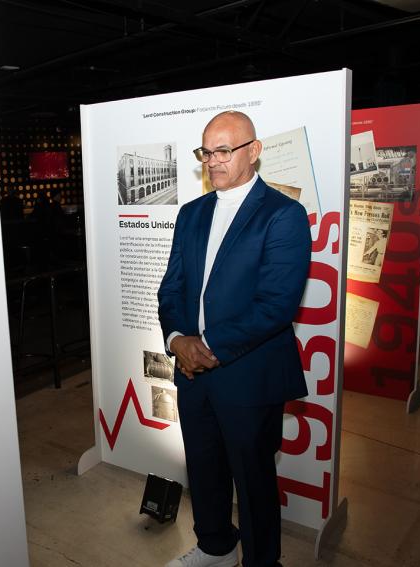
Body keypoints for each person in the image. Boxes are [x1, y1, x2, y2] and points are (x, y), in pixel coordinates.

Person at [158, 111, 311, 567]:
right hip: (191, 370)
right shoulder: (191, 213)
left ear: (254, 150)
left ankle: (262, 561)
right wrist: (177, 339)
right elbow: (171, 287)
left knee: (253, 478)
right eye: (206, 151)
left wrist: (208, 349)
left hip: (248, 374)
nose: (213, 161)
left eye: (224, 150)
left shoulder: (283, 214)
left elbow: (276, 304)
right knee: (203, 468)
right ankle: (214, 546)